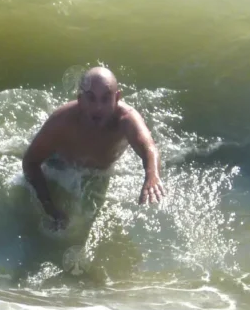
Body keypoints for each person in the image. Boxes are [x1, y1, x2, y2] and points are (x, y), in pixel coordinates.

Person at [22, 67, 165, 229]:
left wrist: (152, 176)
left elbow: (149, 148)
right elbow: (30, 162)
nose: (98, 107)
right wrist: (49, 207)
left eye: (106, 98)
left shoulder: (127, 119)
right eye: (91, 98)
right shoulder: (62, 121)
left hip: (98, 173)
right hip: (59, 165)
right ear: (80, 99)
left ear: (117, 97)